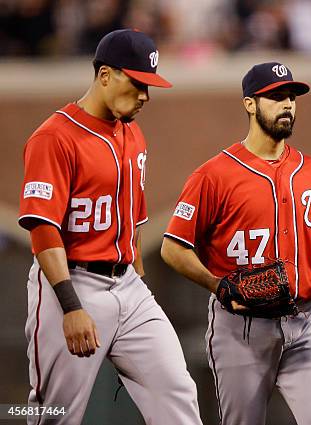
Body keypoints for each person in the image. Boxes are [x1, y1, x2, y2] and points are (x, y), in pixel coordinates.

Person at [161, 62, 311, 425]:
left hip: (306, 321)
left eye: (291, 96)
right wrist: (217, 285)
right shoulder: (214, 174)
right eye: (275, 96)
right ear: (249, 104)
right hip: (241, 326)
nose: (287, 104)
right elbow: (172, 248)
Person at [18, 29, 203, 425]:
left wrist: (136, 272)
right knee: (56, 414)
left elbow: (134, 215)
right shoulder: (54, 137)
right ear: (105, 75)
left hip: (128, 288)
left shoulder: (132, 132)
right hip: (70, 285)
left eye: (149, 86)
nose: (145, 96)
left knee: (177, 392)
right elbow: (43, 227)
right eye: (137, 83)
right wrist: (71, 307)